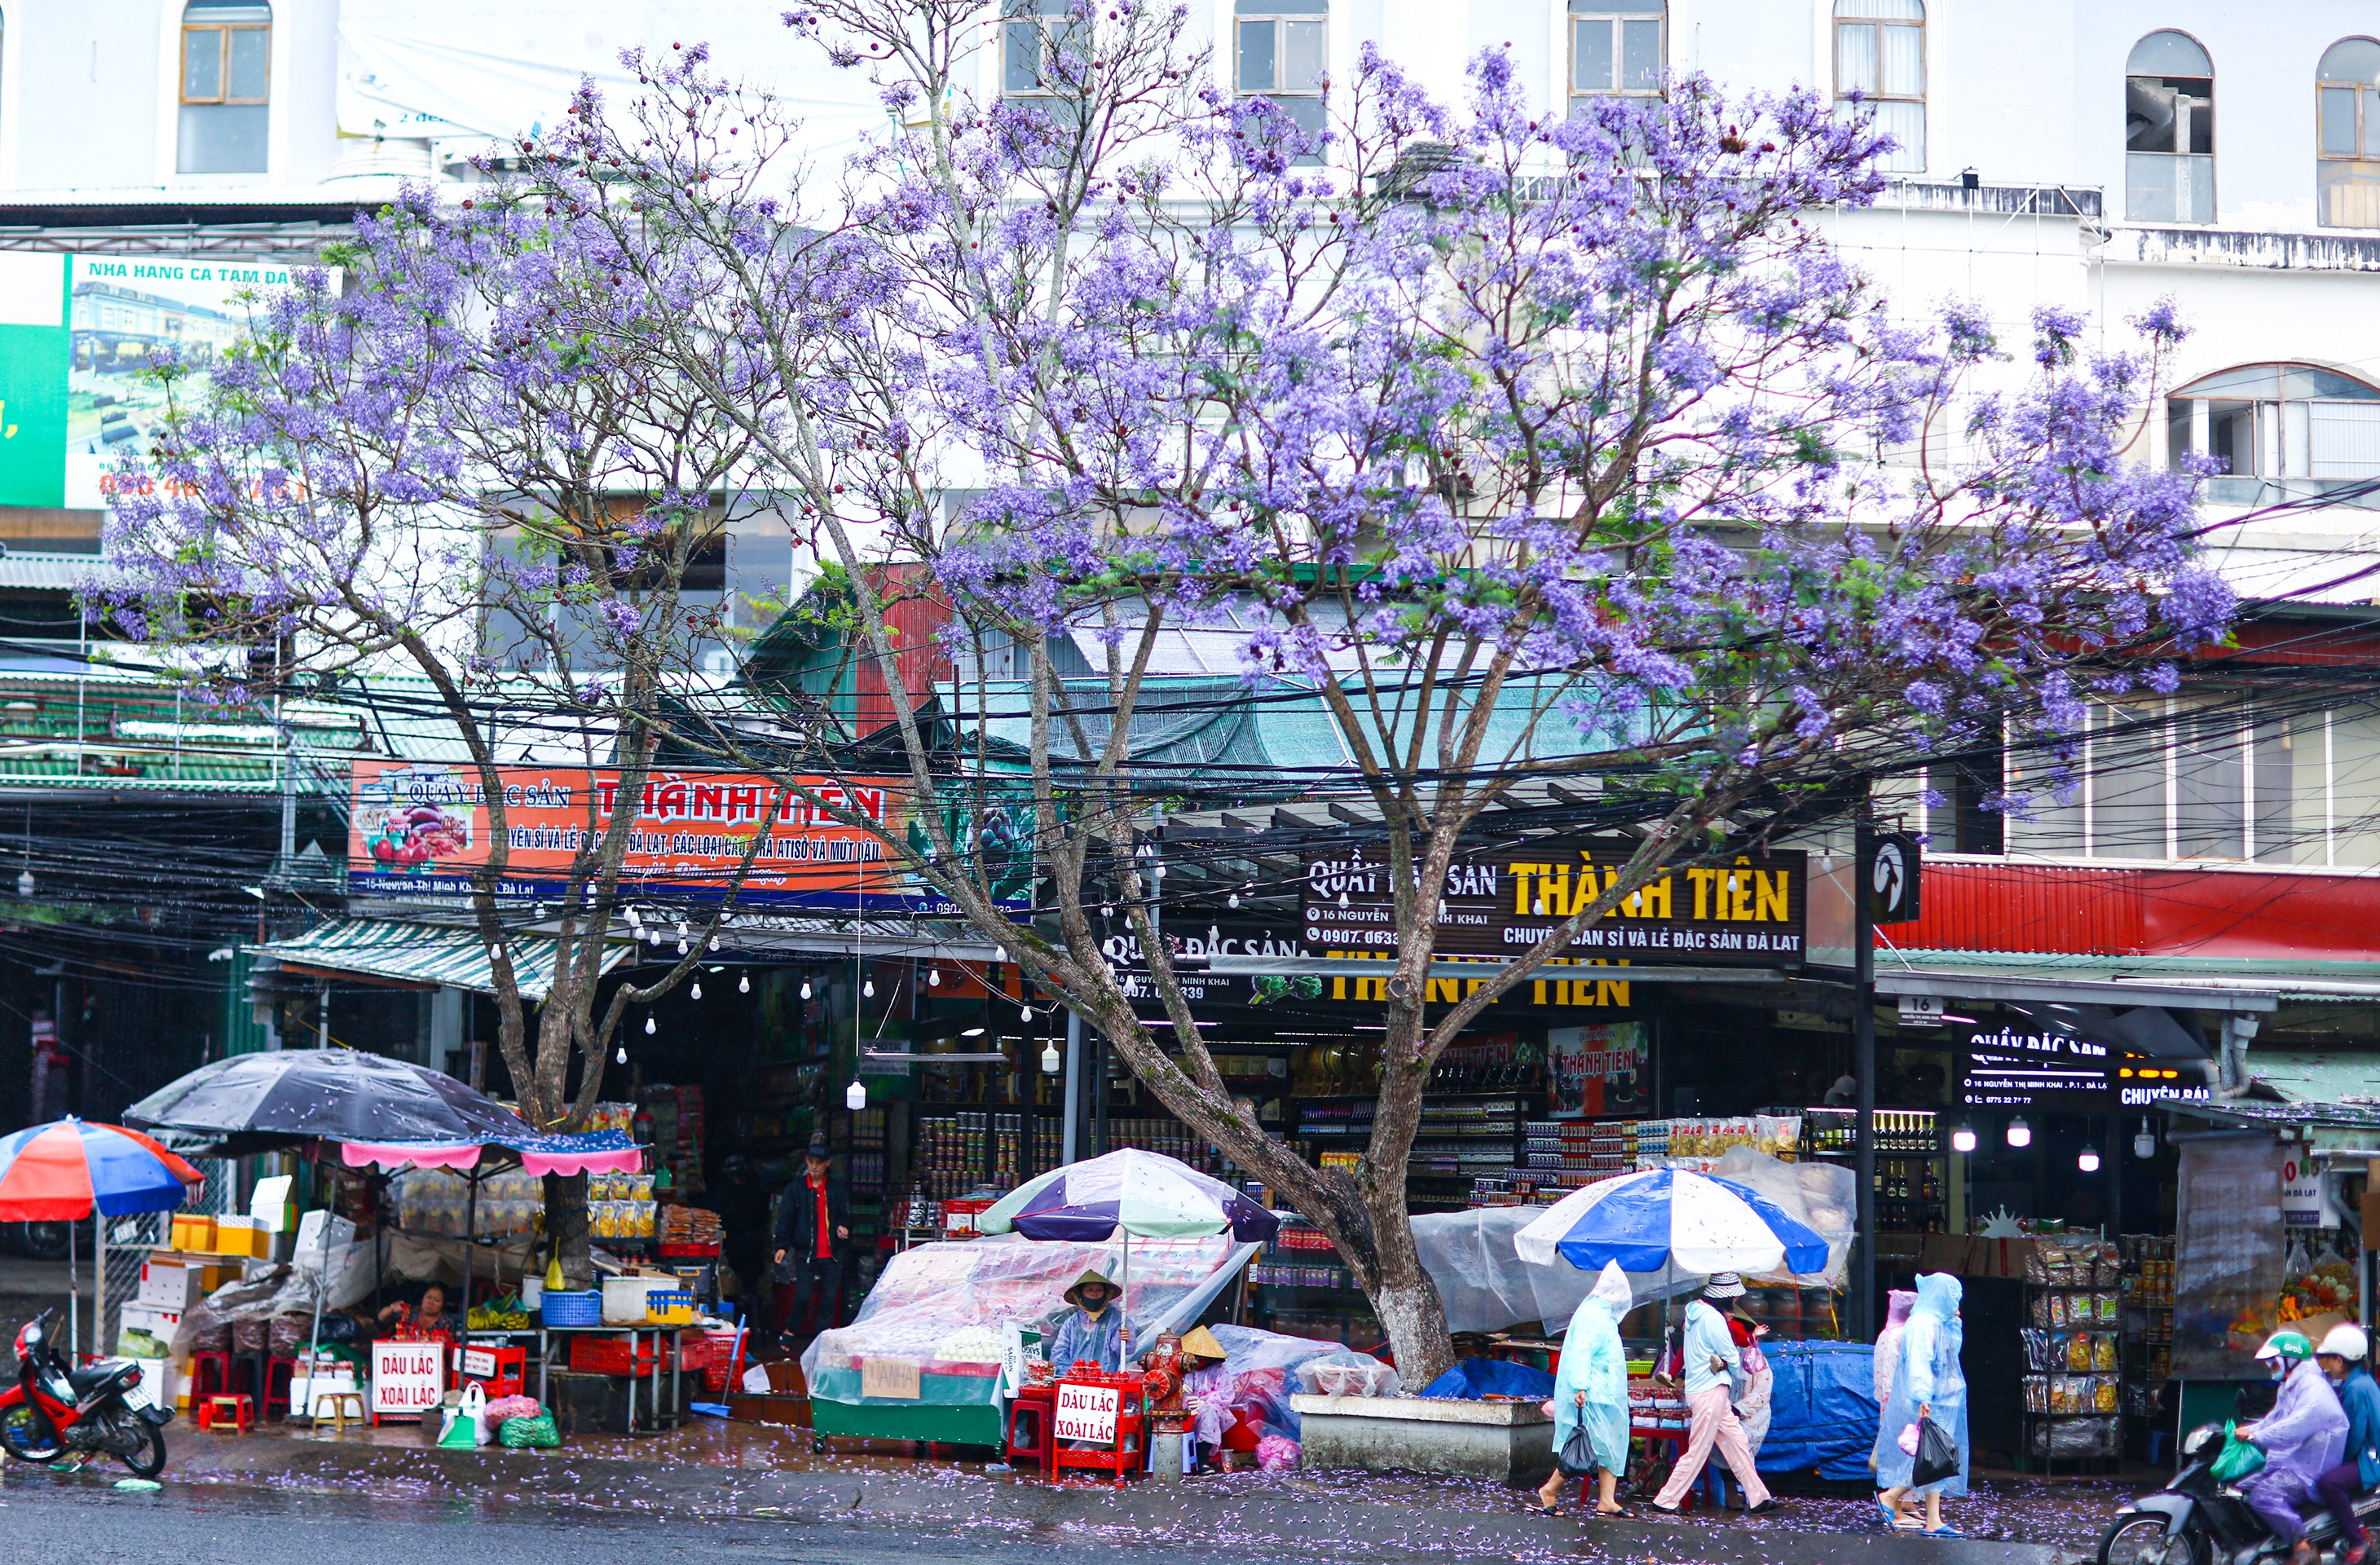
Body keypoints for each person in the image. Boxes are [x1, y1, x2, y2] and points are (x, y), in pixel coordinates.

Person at [1651, 1272, 1780, 1515]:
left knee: (1737, 1442)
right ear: (1727, 1297)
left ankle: (1758, 1497)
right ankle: (1666, 1499)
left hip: (1704, 1389)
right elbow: (1732, 1356)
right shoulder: (1714, 1320)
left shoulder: (1694, 1314)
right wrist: (1730, 1364)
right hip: (1711, 1390)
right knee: (1699, 1449)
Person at [2238, 1329, 2347, 1565]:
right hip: (2291, 1463)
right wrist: (2249, 1430)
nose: (2271, 1367)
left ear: (2290, 1361)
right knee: (2239, 1489)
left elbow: (2292, 1428)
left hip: (2310, 1472)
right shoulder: (2290, 1387)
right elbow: (2274, 1420)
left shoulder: (2314, 1389)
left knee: (2262, 1496)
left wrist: (2256, 1437)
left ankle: (2302, 1545)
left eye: (2274, 1362)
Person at [1536, 1260, 1633, 1517]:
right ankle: (1550, 1489)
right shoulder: (1595, 1314)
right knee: (1589, 1445)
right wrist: (1581, 1385)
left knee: (1610, 1445)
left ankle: (1607, 1499)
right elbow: (1582, 1351)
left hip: (1605, 1393)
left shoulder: (1599, 1313)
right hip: (1595, 1393)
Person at [1877, 1272, 1969, 1536]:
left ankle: (1934, 1520)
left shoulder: (1936, 1322)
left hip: (1941, 1399)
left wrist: (1953, 1323)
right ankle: (1891, 1497)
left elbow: (1951, 1354)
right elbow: (1920, 1363)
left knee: (1936, 1458)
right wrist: (1923, 1397)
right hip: (1931, 1400)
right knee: (1933, 1458)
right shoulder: (1922, 1324)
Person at [771, 1135, 850, 1347]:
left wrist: (843, 1227)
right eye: (811, 1162)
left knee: (829, 1300)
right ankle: (790, 1330)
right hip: (806, 1252)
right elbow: (785, 1219)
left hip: (832, 1253)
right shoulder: (796, 1189)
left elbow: (845, 1214)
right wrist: (782, 1246)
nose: (814, 1167)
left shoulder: (836, 1188)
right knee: (802, 1297)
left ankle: (820, 1340)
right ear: (806, 1161)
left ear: (827, 1164)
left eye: (819, 1163)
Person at [2313, 1323, 2380, 1565]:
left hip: (2372, 1458)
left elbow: (2355, 1436)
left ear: (2340, 1360)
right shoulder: (2360, 1380)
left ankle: (2356, 1540)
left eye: (2329, 1359)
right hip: (2371, 1453)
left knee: (2328, 1482)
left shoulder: (2355, 1388)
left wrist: (2338, 1461)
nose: (2327, 1366)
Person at [711, 1154, 773, 1346]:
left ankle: (735, 1332)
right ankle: (753, 1333)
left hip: (736, 1245)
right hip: (752, 1244)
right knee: (750, 1291)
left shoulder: (725, 1193)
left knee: (732, 1290)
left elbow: (718, 1214)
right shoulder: (757, 1191)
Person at [1045, 1269, 1132, 1373]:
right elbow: (1060, 1352)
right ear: (1080, 1294)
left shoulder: (1118, 1320)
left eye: (1099, 1290)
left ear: (1106, 1293)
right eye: (1090, 1290)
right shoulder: (1072, 1323)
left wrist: (1124, 1340)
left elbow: (1123, 1351)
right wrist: (1071, 1373)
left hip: (1107, 1380)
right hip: (1076, 1381)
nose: (1094, 1293)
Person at [1869, 1289, 1917, 1474]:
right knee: (1908, 1445)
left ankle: (1897, 1494)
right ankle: (1904, 1498)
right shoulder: (1903, 1335)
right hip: (1901, 1399)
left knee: (1895, 1443)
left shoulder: (1885, 1334)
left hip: (1887, 1399)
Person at [1179, 1326, 1233, 1468]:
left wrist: (1204, 1402)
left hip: (1209, 1410)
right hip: (1182, 1409)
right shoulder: (1179, 1367)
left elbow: (1225, 1393)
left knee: (1210, 1411)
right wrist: (1176, 1386)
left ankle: (1203, 1458)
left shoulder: (1219, 1370)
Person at [1728, 1299, 1775, 1458]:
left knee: (1741, 1462)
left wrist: (1737, 1410)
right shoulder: (1726, 1357)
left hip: (1749, 1421)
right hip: (1727, 1419)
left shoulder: (1755, 1361)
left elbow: (1762, 1392)